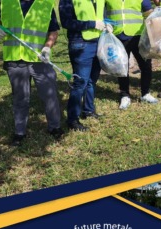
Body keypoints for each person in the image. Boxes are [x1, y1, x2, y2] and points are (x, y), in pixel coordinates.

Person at [0, 0, 63, 146]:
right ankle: (20, 132)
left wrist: (48, 47)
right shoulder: (6, 2)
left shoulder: (46, 4)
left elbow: (53, 31)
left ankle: (55, 127)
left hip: (40, 59)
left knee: (50, 95)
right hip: (15, 59)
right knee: (20, 98)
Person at [59, 0, 113, 131]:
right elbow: (66, 22)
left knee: (92, 81)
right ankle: (72, 120)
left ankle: (88, 111)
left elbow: (103, 15)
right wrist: (92, 24)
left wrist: (107, 24)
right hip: (80, 44)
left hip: (98, 42)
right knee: (80, 82)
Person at [105, 0, 159, 110]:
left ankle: (145, 93)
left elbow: (148, 10)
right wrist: (105, 24)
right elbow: (102, 12)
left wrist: (155, 14)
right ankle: (125, 95)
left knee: (146, 66)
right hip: (118, 36)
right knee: (122, 67)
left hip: (138, 36)